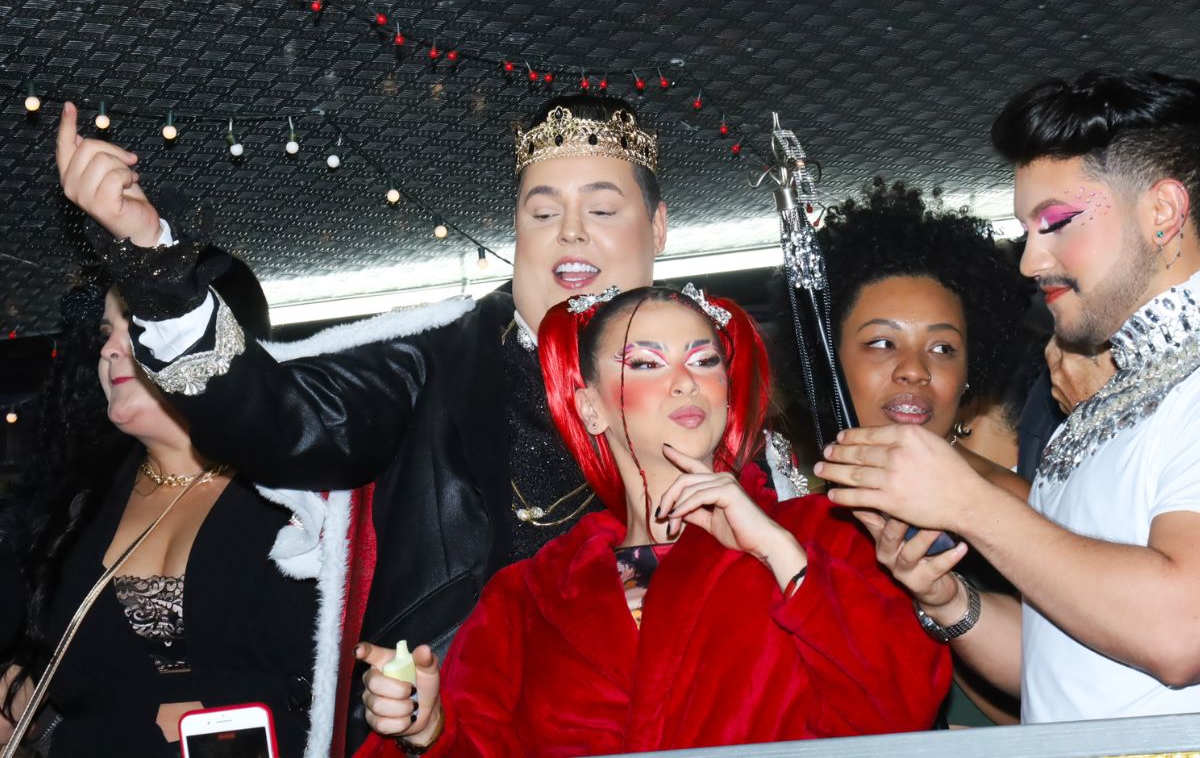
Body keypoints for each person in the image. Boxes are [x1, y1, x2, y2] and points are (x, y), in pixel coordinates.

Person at [53, 94, 683, 754]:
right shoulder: (433, 362)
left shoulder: (714, 382)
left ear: (659, 226)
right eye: (544, 212)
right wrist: (152, 256)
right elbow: (276, 416)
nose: (571, 232)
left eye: (602, 210)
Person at [354, 285, 951, 756]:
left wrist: (776, 548)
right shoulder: (529, 597)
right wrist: (427, 730)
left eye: (705, 360)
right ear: (589, 408)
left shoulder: (824, 534)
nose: (685, 381)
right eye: (645, 363)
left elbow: (900, 709)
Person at [815, 69, 1200, 722]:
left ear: (1161, 212)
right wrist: (948, 600)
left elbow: (1180, 633)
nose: (1030, 261)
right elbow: (1064, 664)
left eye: (1056, 223)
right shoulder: (1099, 412)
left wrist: (969, 504)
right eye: (1027, 230)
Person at [0, 263, 322, 757]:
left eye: (135, 325)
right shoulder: (76, 507)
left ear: (213, 334)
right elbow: (68, 681)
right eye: (106, 333)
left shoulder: (305, 491)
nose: (109, 349)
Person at [815, 181, 1030, 727]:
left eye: (942, 348)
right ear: (828, 362)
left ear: (968, 374)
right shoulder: (794, 511)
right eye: (882, 343)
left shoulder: (1020, 509)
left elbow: (1069, 694)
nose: (914, 369)